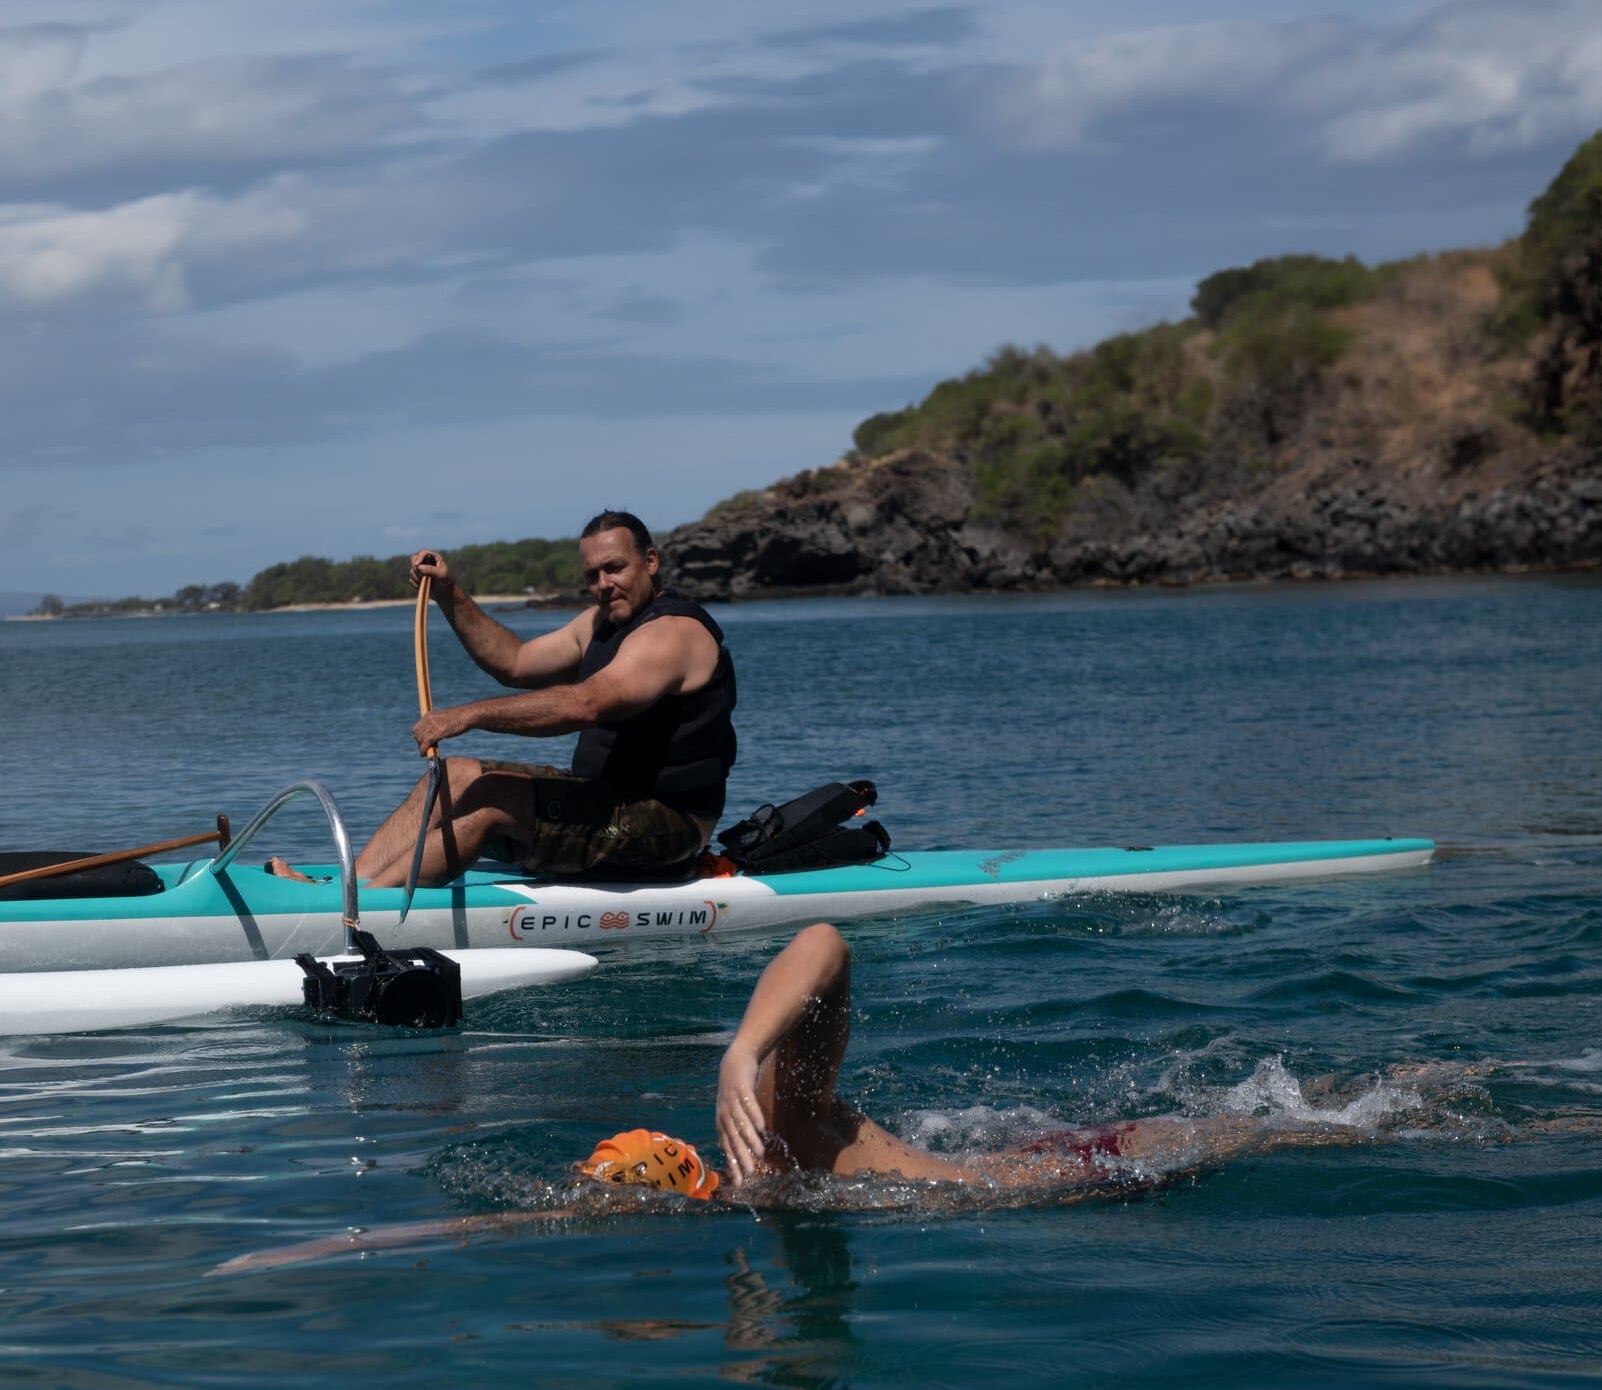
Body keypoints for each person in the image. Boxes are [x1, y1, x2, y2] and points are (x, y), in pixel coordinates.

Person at [212, 925, 1378, 1275]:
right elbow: (514, 1223)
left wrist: (739, 1052)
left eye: (619, 1199)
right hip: (1043, 1166)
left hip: (1090, 1170)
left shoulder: (781, 1127)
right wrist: (324, 1251)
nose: (604, 1208)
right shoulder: (738, 1199)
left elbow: (824, 941)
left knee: (1326, 1123)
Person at [339, 511, 737, 889]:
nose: (603, 584)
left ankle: (372, 905)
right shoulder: (598, 624)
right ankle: (349, 886)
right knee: (454, 775)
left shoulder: (672, 633)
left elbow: (586, 704)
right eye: (592, 575)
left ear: (650, 561)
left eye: (615, 568)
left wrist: (467, 716)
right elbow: (514, 662)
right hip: (604, 797)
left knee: (494, 798)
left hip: (671, 826)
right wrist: (449, 593)